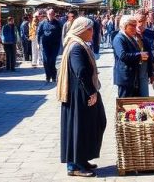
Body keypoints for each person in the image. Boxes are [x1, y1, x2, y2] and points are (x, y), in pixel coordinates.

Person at [58, 17, 106, 177]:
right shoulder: (76, 47)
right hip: (79, 95)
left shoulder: (79, 44)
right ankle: (75, 166)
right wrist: (91, 92)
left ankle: (82, 159)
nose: (93, 32)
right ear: (81, 30)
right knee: (79, 128)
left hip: (81, 92)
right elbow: (81, 72)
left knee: (90, 126)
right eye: (90, 29)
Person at [111, 15, 147, 98]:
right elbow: (123, 55)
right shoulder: (119, 38)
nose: (135, 27)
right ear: (125, 26)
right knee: (124, 104)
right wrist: (139, 55)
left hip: (133, 77)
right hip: (125, 78)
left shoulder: (130, 37)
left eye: (135, 25)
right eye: (133, 25)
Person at [37, 9, 63, 83]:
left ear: (54, 15)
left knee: (52, 60)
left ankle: (54, 76)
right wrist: (38, 44)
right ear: (47, 15)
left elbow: (62, 33)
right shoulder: (42, 23)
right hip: (45, 45)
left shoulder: (58, 23)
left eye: (52, 14)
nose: (50, 16)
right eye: (49, 14)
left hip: (55, 45)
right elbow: (39, 33)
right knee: (46, 61)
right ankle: (48, 76)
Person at [135, 12, 154, 96]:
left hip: (145, 70)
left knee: (144, 96)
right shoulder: (130, 35)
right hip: (133, 72)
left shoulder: (150, 34)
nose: (140, 24)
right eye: (138, 21)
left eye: (143, 21)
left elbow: (151, 54)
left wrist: (151, 74)